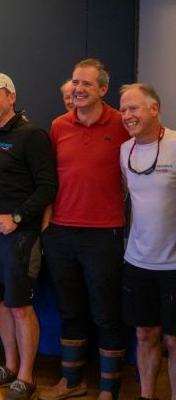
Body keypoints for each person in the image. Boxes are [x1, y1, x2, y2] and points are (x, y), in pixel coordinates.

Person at [39, 59, 130, 400]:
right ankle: (72, 382)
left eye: (86, 84)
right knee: (70, 310)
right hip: (61, 233)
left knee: (106, 313)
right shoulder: (59, 125)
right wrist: (47, 224)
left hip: (104, 234)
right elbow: (50, 179)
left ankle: (108, 391)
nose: (78, 89)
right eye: (75, 82)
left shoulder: (121, 124)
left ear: (103, 89)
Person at [0, 73, 57, 400]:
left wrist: (17, 217)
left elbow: (47, 187)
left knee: (20, 307)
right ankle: (9, 366)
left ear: (11, 97)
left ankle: (26, 377)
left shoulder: (31, 135)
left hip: (17, 236)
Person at [119, 83, 175, 400]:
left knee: (173, 341)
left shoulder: (175, 144)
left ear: (154, 109)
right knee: (145, 335)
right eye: (123, 109)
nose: (127, 115)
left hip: (173, 266)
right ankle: (146, 395)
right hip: (137, 262)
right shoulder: (125, 150)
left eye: (134, 108)